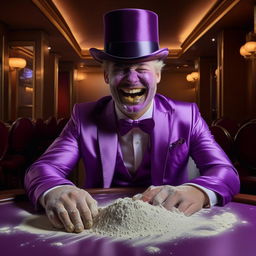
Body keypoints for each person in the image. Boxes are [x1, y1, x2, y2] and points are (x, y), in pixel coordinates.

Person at [24, 8, 240, 233]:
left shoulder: (188, 115)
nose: (131, 78)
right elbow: (41, 169)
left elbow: (224, 171)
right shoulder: (83, 116)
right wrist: (55, 190)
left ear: (157, 75)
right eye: (120, 69)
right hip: (97, 228)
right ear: (107, 76)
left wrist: (199, 191)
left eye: (141, 69)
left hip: (170, 227)